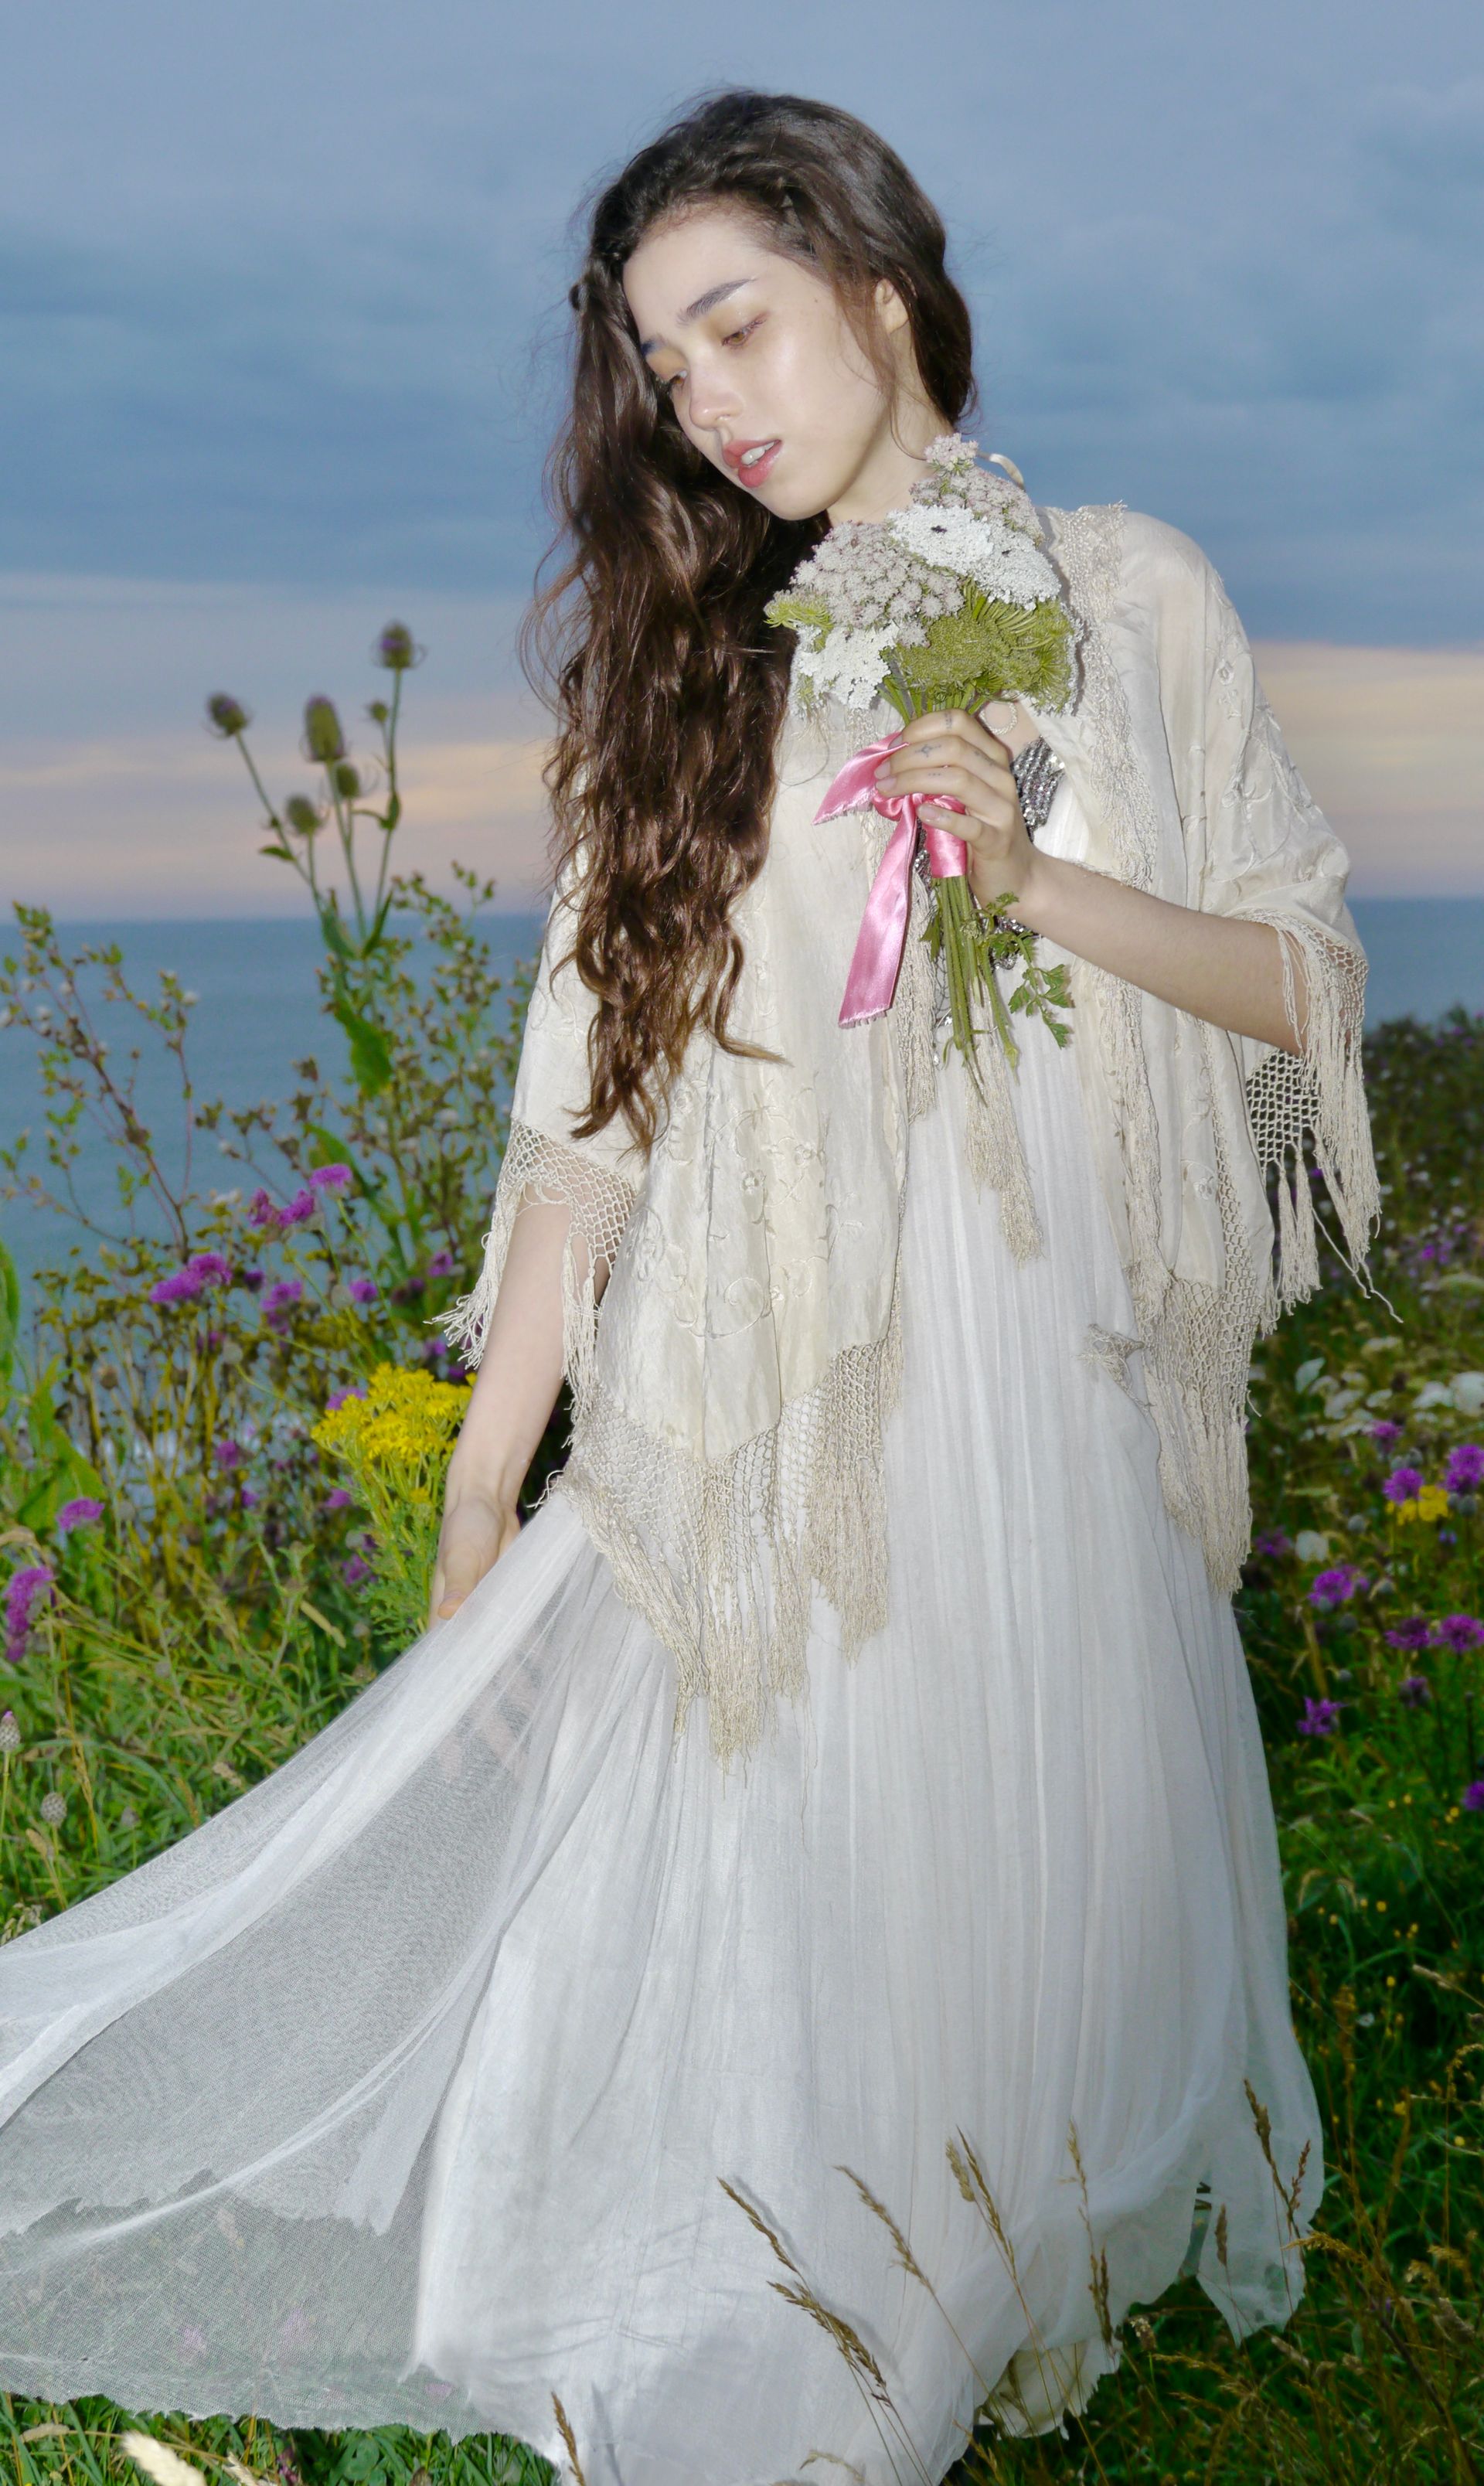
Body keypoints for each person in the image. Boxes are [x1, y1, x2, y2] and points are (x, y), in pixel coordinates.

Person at [0, 87, 1379, 2486]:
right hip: (788, 1409)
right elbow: (593, 1116)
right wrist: (489, 1483)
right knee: (783, 1883)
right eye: (662, 365)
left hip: (1048, 1396)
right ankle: (784, 2301)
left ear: (875, 274)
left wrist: (1027, 879)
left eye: (734, 323)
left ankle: (965, 2269)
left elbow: (1295, 986)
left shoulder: (1133, 592)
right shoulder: (705, 665)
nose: (708, 401)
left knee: (1009, 1881)